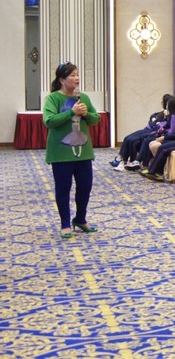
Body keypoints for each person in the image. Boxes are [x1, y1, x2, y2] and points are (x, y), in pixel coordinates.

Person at [43, 62, 101, 239]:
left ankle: (80, 219)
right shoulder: (53, 98)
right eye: (72, 75)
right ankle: (65, 224)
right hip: (61, 153)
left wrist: (85, 114)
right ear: (62, 80)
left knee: (85, 186)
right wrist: (71, 112)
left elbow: (95, 119)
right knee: (63, 188)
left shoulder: (83, 97)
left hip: (83, 151)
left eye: (77, 74)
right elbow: (49, 121)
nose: (77, 78)